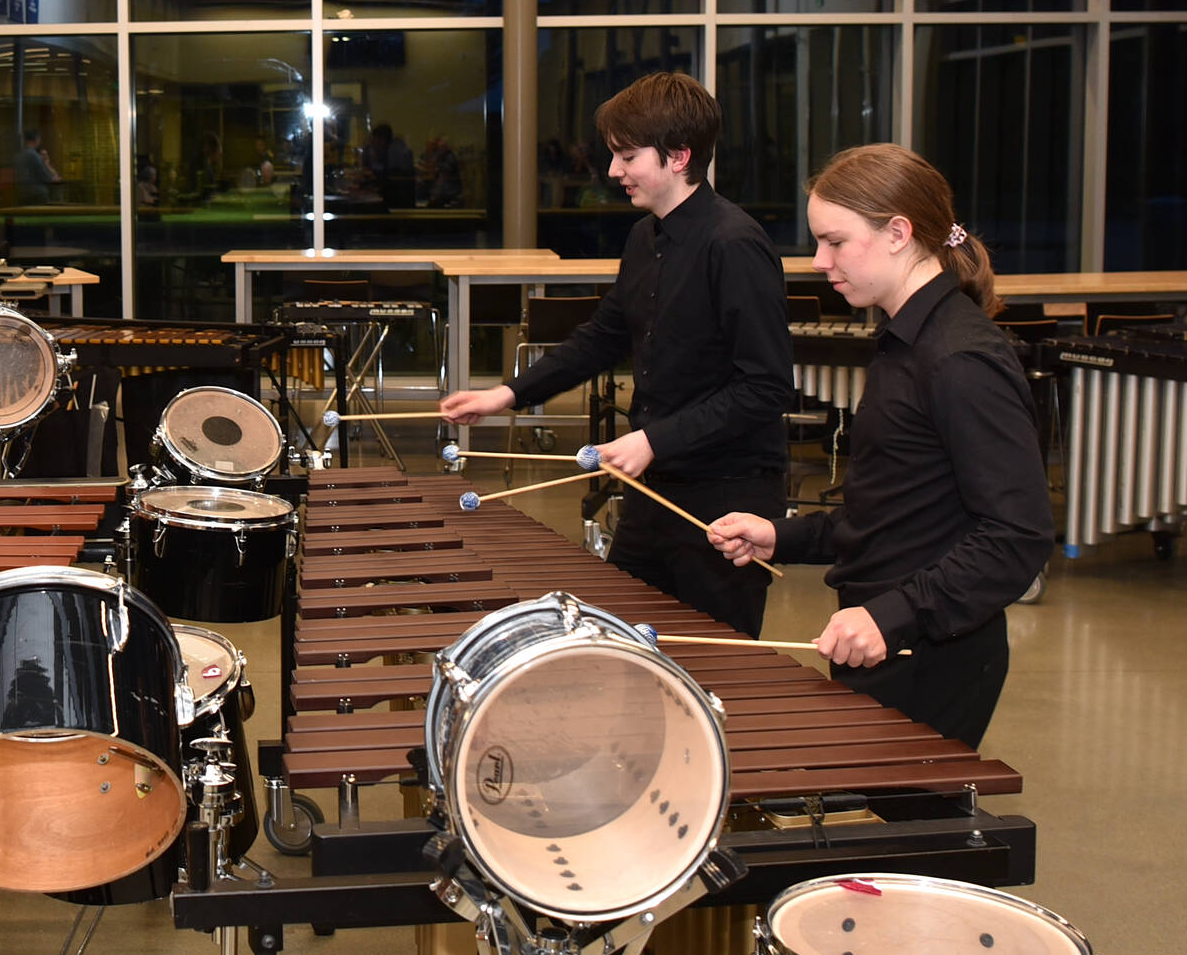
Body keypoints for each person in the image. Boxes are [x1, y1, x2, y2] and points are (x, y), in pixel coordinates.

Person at [707, 144, 1053, 748]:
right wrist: (780, 533)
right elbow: (895, 513)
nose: (819, 261)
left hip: (931, 650)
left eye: (834, 242)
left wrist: (892, 617)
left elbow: (1017, 535)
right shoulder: (903, 342)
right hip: (886, 635)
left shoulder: (960, 358)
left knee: (894, 830)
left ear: (898, 233)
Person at [440, 71, 794, 637]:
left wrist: (654, 440)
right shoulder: (645, 237)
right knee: (622, 648)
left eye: (627, 156)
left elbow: (766, 387)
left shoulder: (733, 244)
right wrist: (506, 395)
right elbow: (603, 336)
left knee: (717, 668)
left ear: (678, 157)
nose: (613, 172)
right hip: (655, 491)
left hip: (725, 497)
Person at [16, 128, 59, 204]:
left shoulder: (20, 155)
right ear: (37, 139)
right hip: (36, 193)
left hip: (22, 193)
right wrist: (53, 178)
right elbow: (44, 176)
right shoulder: (34, 155)